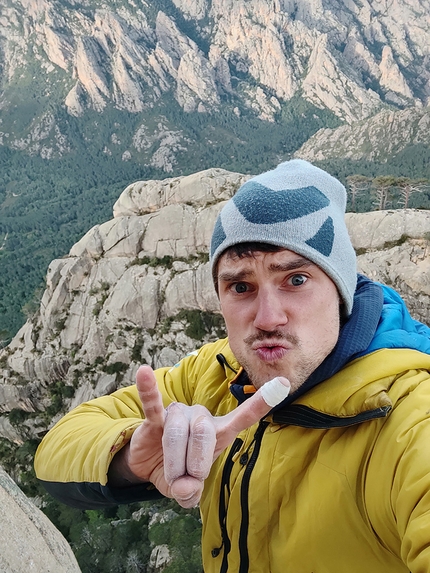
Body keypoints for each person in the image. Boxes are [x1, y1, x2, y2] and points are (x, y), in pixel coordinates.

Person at [34, 159, 430, 572]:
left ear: (340, 287)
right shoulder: (217, 374)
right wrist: (131, 457)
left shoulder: (407, 419)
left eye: (295, 279)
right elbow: (56, 448)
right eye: (241, 287)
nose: (267, 317)